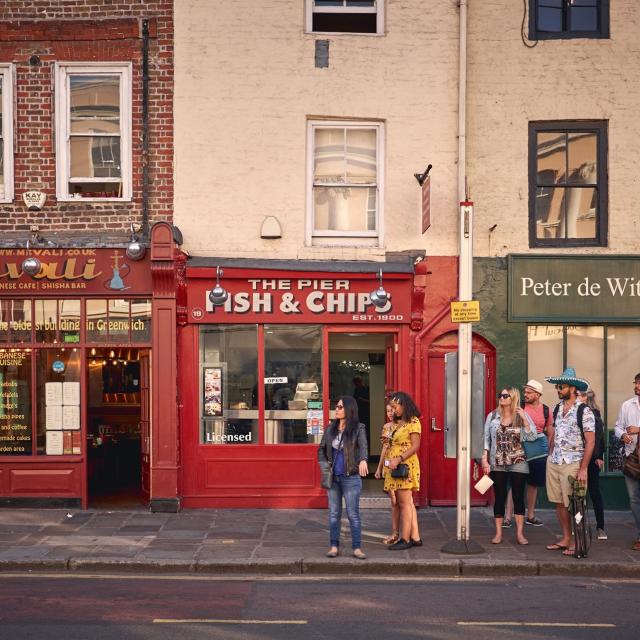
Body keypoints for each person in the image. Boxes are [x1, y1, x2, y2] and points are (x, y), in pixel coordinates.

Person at [544, 367, 595, 557]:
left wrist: (583, 469)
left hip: (573, 462)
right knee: (559, 503)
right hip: (555, 460)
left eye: (561, 386)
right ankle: (566, 538)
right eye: (557, 386)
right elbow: (554, 432)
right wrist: (549, 454)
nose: (558, 389)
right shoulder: (557, 408)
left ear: (572, 388)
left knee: (575, 504)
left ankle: (577, 542)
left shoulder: (584, 411)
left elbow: (590, 442)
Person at [481, 386, 537, 545]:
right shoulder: (492, 416)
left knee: (519, 497)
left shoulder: (520, 415)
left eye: (506, 395)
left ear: (513, 398)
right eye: (500, 395)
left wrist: (525, 419)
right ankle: (498, 533)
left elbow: (532, 436)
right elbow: (486, 439)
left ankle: (520, 534)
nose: (502, 398)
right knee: (499, 497)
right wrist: (485, 459)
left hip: (518, 461)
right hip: (497, 462)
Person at [317, 395, 369, 559]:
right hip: (333, 478)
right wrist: (325, 466)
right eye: (336, 407)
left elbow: (363, 447)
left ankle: (357, 547)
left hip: (351, 477)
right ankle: (334, 546)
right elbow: (321, 449)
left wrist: (363, 460)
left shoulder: (358, 428)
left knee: (353, 514)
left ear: (349, 409)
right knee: (334, 513)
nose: (336, 409)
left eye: (340, 407)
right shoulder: (330, 428)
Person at [385, 391, 422, 550]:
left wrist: (398, 459)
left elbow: (415, 446)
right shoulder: (399, 422)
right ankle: (415, 537)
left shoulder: (413, 422)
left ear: (404, 405)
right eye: (392, 407)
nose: (394, 410)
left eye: (396, 407)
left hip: (405, 466)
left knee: (404, 503)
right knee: (406, 503)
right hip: (396, 466)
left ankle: (405, 539)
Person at [614, 373, 640, 552]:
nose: (637, 386)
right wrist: (622, 435)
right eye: (636, 383)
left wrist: (639, 429)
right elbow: (618, 426)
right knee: (634, 499)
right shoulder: (627, 405)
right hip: (632, 458)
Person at [577, 388, 607, 540]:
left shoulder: (594, 414)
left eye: (579, 395)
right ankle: (579, 526)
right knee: (579, 495)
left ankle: (600, 527)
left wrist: (600, 455)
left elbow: (599, 438)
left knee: (593, 493)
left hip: (591, 459)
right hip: (578, 458)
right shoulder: (576, 412)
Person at [522, 379, 551, 527]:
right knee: (516, 481)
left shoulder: (546, 410)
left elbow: (550, 431)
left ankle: (530, 515)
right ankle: (508, 517)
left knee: (533, 483)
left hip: (539, 449)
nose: (525, 394)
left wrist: (551, 451)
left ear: (538, 394)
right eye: (525, 391)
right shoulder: (520, 407)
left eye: (529, 392)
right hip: (520, 447)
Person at [375, 402, 400, 544]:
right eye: (387, 411)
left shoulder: (403, 425)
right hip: (388, 465)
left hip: (401, 465)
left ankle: (404, 532)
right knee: (394, 500)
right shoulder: (386, 427)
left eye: (392, 410)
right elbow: (384, 448)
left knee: (403, 501)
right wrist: (378, 468)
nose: (389, 413)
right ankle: (395, 532)